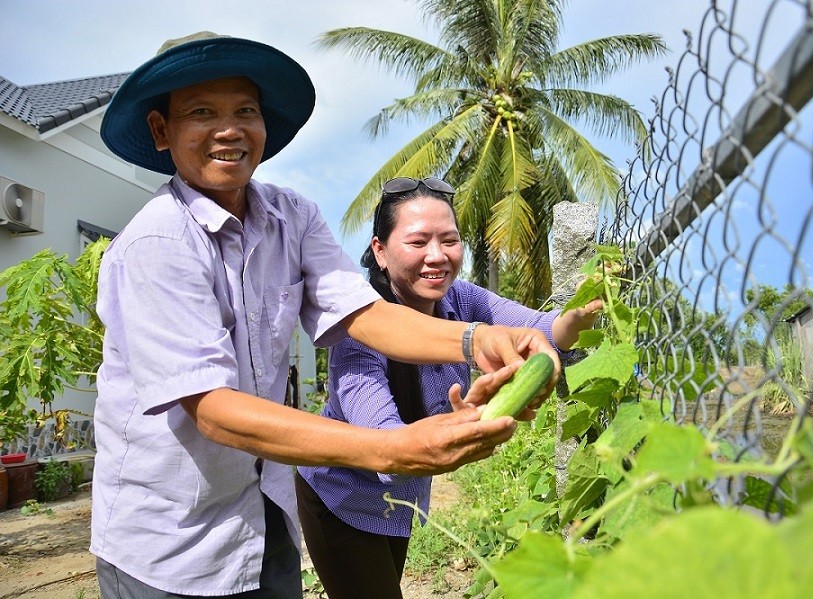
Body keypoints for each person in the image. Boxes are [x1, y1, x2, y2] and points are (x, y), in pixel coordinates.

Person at [90, 32, 560, 598]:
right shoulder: (157, 243)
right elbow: (211, 410)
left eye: (245, 110)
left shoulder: (291, 216)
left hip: (264, 512)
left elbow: (366, 314)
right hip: (170, 541)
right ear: (162, 131)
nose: (229, 128)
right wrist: (393, 450)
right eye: (201, 112)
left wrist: (478, 340)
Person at [297, 177, 602, 598]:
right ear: (380, 252)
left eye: (450, 240)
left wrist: (574, 321)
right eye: (418, 242)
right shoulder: (358, 336)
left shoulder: (461, 300)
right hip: (340, 500)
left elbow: (537, 329)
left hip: (397, 502)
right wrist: (468, 425)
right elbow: (388, 445)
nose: (437, 256)